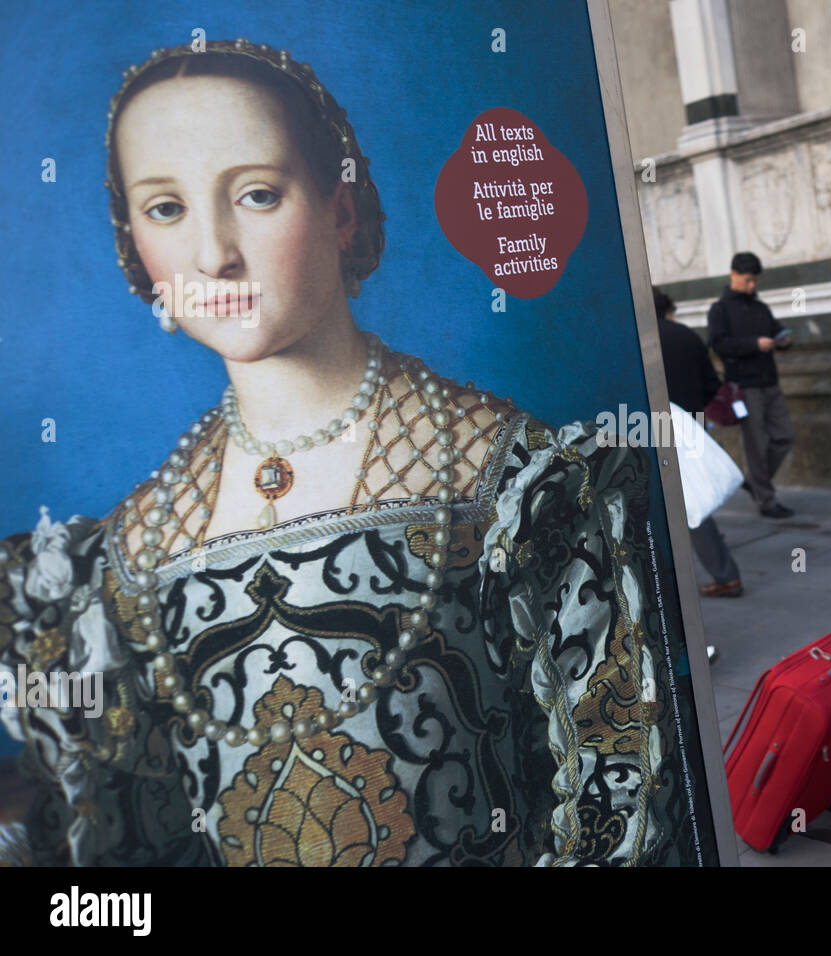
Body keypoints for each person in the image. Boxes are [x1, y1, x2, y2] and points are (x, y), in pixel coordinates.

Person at [0, 39, 687, 867]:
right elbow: (126, 847)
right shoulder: (133, 549)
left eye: (256, 194)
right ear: (133, 248)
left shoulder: (512, 477)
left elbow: (619, 793)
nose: (213, 254)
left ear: (341, 208)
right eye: (166, 209)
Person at [654, 288, 742, 608]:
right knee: (692, 499)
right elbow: (711, 384)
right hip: (692, 426)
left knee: (686, 505)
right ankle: (718, 570)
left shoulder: (637, 341)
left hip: (655, 429)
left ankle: (724, 574)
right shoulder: (686, 336)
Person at [707, 252, 796, 519]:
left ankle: (754, 482)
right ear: (733, 274)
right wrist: (754, 345)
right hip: (743, 388)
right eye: (747, 280)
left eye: (755, 281)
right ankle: (766, 500)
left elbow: (776, 330)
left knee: (785, 436)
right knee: (755, 444)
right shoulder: (720, 310)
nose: (752, 286)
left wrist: (783, 341)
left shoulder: (760, 308)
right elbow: (718, 345)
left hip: (770, 383)